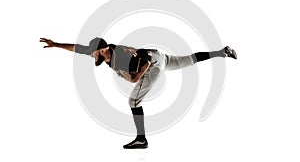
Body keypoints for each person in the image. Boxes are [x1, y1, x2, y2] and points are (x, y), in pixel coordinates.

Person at [40, 37, 237, 149]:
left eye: (93, 53)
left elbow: (135, 77)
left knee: (133, 101)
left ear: (101, 50)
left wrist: (144, 69)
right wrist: (56, 44)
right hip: (159, 55)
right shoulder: (107, 51)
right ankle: (222, 52)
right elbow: (79, 49)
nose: (91, 55)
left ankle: (141, 139)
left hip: (151, 64)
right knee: (189, 60)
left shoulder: (121, 59)